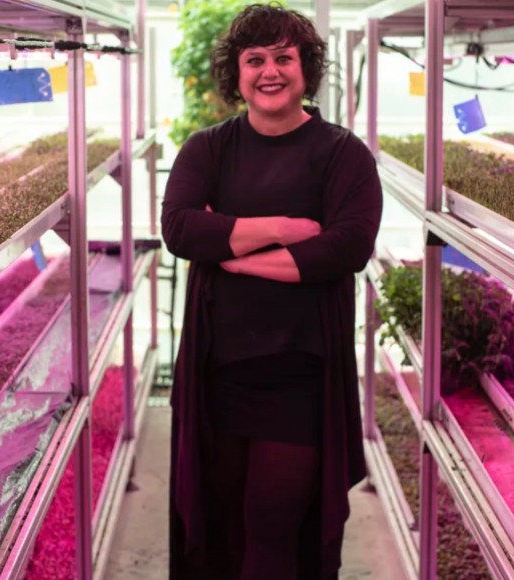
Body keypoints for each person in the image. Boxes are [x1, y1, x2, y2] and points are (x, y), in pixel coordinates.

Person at [162, 4, 383, 579]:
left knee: (273, 525)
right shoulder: (207, 148)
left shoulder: (342, 154)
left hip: (299, 376)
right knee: (223, 521)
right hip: (218, 374)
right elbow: (181, 228)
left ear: (305, 68)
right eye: (254, 59)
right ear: (236, 74)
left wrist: (230, 255)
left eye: (284, 57)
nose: (270, 71)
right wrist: (281, 233)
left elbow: (344, 248)